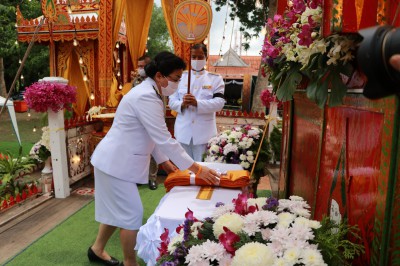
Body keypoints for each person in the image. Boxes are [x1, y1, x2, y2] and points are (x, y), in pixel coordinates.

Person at [88, 51, 220, 266]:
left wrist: (166, 164)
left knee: (118, 211)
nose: (177, 84)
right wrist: (197, 169)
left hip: (115, 162)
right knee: (131, 215)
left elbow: (152, 135)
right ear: (159, 76)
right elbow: (163, 138)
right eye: (176, 79)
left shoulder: (153, 92)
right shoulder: (146, 96)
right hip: (115, 163)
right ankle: (131, 263)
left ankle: (97, 250)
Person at [169, 43, 225, 162]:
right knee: (184, 171)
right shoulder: (181, 77)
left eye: (200, 57)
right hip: (183, 133)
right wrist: (182, 104)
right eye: (194, 57)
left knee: (202, 170)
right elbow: (171, 101)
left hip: (204, 135)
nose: (196, 60)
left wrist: (197, 103)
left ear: (206, 57)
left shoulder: (215, 79)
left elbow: (219, 103)